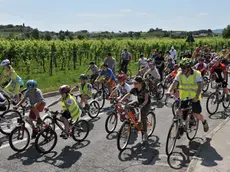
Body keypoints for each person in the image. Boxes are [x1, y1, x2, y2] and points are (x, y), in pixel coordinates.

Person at [168, 58, 209, 133]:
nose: (182, 69)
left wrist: (196, 97)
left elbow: (200, 86)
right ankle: (181, 126)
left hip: (194, 97)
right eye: (181, 68)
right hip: (184, 96)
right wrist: (169, 91)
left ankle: (204, 121)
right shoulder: (180, 74)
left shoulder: (197, 74)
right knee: (178, 111)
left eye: (184, 68)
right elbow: (174, 83)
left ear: (189, 68)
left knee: (196, 114)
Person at [120, 76, 151, 143]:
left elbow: (146, 100)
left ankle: (145, 133)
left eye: (135, 83)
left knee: (143, 118)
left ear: (140, 83)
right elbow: (128, 94)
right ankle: (134, 119)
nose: (134, 84)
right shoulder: (135, 89)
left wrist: (141, 106)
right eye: (133, 83)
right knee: (128, 106)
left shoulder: (145, 90)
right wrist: (121, 100)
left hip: (146, 104)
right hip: (139, 102)